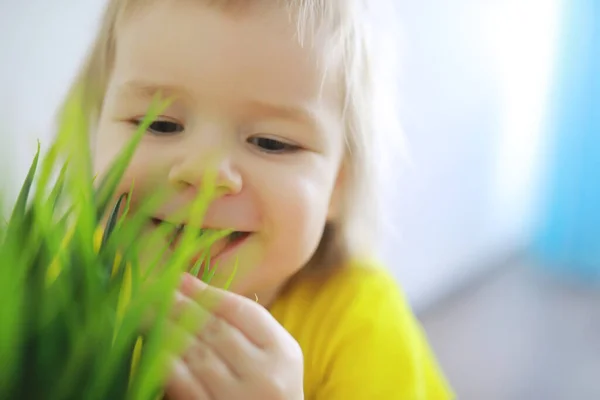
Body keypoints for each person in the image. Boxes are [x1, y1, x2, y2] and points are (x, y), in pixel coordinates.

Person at [66, 0, 454, 398]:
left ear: (338, 184)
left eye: (271, 142)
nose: (204, 171)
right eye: (160, 124)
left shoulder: (362, 323)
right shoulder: (67, 274)